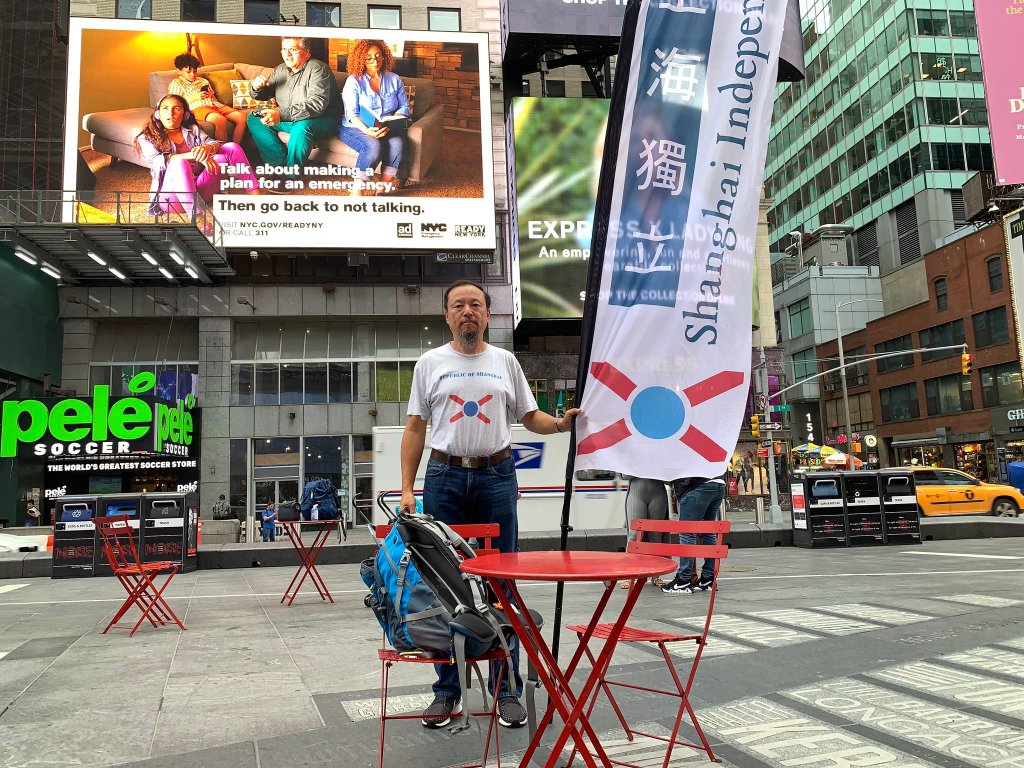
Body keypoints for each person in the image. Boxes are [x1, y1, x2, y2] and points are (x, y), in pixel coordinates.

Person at [400, 280, 581, 731]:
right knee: (445, 586)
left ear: (487, 314)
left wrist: (561, 425)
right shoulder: (429, 364)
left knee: (502, 585)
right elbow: (416, 428)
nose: (467, 311)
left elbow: (529, 416)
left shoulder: (505, 362)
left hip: (496, 477)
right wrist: (406, 489)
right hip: (443, 478)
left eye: (476, 304)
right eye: (458, 305)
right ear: (447, 315)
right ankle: (448, 690)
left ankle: (507, 689)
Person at [135, 94, 261, 223]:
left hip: (200, 193)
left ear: (185, 115)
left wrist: (208, 148)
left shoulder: (193, 130)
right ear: (157, 113)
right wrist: (195, 155)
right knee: (179, 163)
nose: (170, 113)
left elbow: (214, 143)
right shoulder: (146, 137)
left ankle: (258, 199)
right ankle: (199, 220)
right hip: (172, 199)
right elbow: (157, 161)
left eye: (177, 108)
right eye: (165, 108)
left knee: (231, 147)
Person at [247, 37, 341, 176]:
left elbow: (317, 104)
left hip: (322, 120)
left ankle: (291, 175)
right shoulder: (280, 70)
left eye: (293, 49)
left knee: (302, 127)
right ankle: (278, 165)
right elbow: (265, 94)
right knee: (254, 118)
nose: (287, 54)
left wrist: (281, 114)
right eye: (284, 49)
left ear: (307, 53)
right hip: (292, 119)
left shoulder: (318, 69)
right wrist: (256, 88)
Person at [339, 40, 410, 196]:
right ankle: (357, 191)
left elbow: (404, 106)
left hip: (385, 126)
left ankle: (381, 189)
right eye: (369, 58)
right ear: (361, 60)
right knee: (373, 145)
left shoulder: (394, 79)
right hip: (355, 126)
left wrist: (395, 119)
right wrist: (367, 131)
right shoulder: (354, 81)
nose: (375, 61)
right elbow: (352, 114)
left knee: (398, 143)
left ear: (384, 56)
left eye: (378, 56)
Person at [661, 475, 726, 594]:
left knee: (687, 531)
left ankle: (683, 580)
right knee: (708, 531)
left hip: (695, 485)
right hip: (718, 483)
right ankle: (708, 579)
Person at [168, 53, 247, 144]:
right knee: (220, 120)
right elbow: (175, 104)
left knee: (242, 118)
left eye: (195, 71)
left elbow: (214, 99)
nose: (193, 75)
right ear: (179, 71)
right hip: (198, 108)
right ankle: (223, 151)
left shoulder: (203, 81)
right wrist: (194, 97)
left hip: (215, 105)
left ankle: (235, 148)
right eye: (188, 72)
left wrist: (211, 95)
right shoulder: (176, 84)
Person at [622, 476, 669, 588]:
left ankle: (656, 575)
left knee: (656, 536)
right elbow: (624, 475)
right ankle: (630, 574)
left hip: (657, 493)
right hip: (637, 493)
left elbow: (668, 479)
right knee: (633, 535)